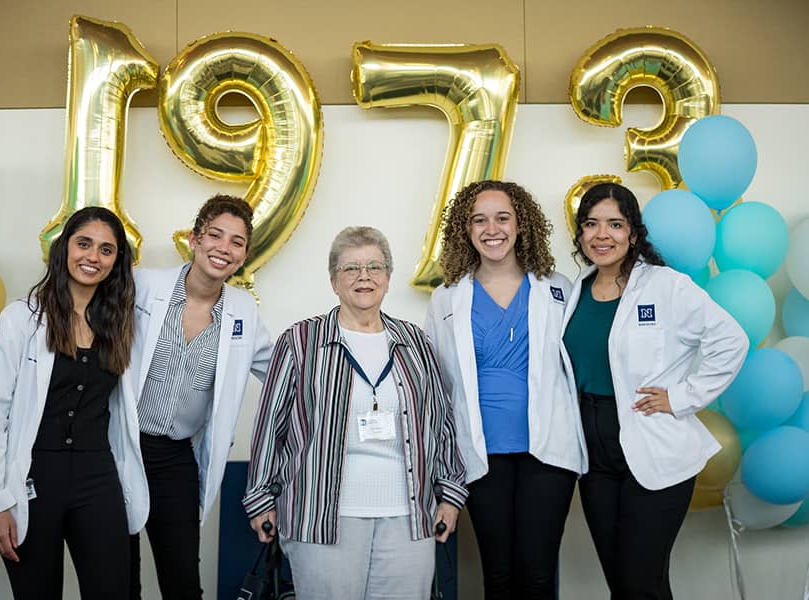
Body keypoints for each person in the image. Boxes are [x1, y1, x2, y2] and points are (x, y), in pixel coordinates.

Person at [243, 226, 467, 600]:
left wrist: (450, 493)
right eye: (351, 269)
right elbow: (270, 426)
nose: (364, 276)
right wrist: (261, 498)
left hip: (409, 519)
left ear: (388, 278)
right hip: (321, 517)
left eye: (374, 267)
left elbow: (441, 423)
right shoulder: (300, 340)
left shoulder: (416, 343)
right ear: (334, 281)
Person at [560, 182, 748, 599]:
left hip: (653, 445)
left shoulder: (666, 287)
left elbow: (731, 341)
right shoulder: (578, 290)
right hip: (595, 455)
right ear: (580, 234)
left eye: (614, 224)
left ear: (633, 232)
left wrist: (681, 397)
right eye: (591, 224)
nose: (601, 235)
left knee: (639, 582)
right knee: (624, 583)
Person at [0, 207, 148, 599]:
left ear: (117, 263)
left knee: (114, 590)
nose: (93, 257)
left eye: (106, 250)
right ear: (64, 248)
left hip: (98, 475)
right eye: (84, 244)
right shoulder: (21, 318)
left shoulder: (122, 324)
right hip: (33, 481)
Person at [425, 180, 586, 599]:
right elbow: (436, 383)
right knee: (497, 575)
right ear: (466, 229)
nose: (491, 228)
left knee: (537, 574)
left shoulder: (558, 288)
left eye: (502, 217)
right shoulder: (446, 298)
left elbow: (579, 365)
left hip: (547, 451)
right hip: (480, 453)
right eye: (479, 219)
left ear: (521, 225)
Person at [129, 194, 273, 599]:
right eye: (215, 235)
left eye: (236, 242)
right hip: (121, 446)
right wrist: (19, 319)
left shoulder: (244, 311)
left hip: (175, 459)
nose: (223, 248)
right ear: (194, 239)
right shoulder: (145, 286)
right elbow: (79, 305)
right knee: (119, 579)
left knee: (183, 584)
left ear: (244, 256)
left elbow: (284, 370)